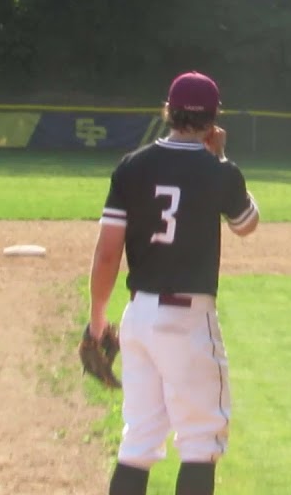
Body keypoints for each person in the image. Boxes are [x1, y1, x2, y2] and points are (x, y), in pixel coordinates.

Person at [87, 71, 260, 495]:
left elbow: (107, 253)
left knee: (139, 440)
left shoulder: (132, 166)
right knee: (201, 442)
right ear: (214, 119)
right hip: (188, 319)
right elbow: (247, 224)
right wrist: (219, 159)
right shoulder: (219, 171)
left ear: (168, 111)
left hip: (139, 316)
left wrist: (96, 321)